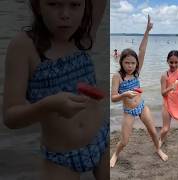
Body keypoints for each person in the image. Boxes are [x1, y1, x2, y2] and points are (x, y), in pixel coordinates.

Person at [2, 0, 108, 179]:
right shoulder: (24, 46)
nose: (65, 14)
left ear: (86, 7)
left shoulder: (83, 35)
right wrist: (48, 106)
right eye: (53, 4)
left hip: (102, 139)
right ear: (38, 6)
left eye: (75, 5)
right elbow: (10, 117)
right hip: (61, 157)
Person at [110, 15, 168, 168]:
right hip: (129, 111)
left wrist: (147, 30)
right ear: (121, 62)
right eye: (127, 62)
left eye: (133, 63)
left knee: (153, 132)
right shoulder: (118, 76)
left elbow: (142, 50)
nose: (130, 65)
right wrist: (124, 94)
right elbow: (113, 98)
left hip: (142, 107)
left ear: (136, 64)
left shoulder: (136, 72)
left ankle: (158, 149)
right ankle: (115, 154)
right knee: (124, 140)